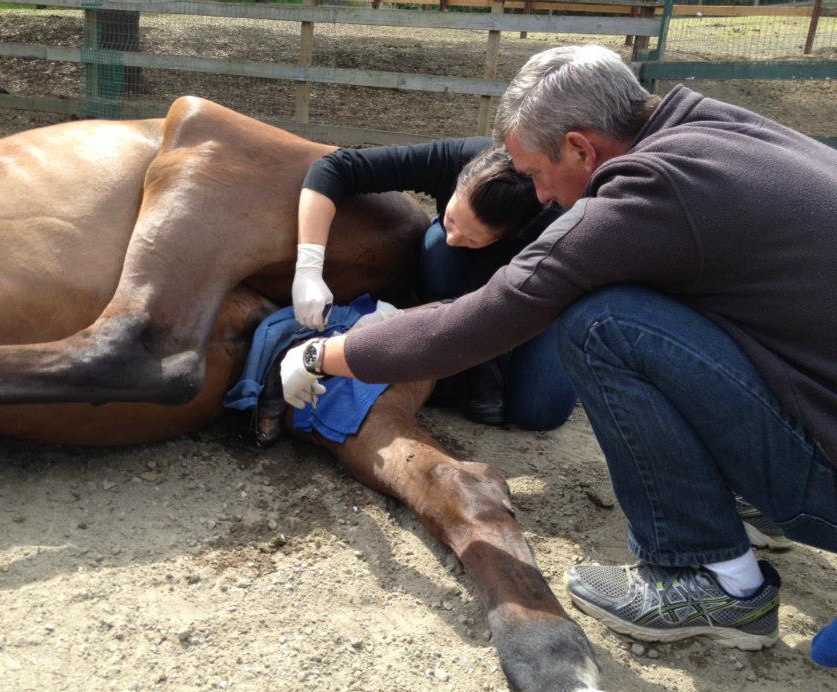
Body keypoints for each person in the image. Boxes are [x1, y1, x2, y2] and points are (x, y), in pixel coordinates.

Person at [282, 44, 837, 653]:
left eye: (538, 173)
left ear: (580, 147)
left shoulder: (649, 191)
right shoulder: (712, 124)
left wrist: (322, 355)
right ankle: (752, 500)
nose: (539, 196)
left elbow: (483, 319)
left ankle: (714, 577)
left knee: (602, 323)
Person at [293, 139, 576, 427]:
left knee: (539, 413)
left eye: (473, 237)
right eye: (453, 218)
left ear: (509, 233)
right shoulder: (457, 159)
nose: (456, 238)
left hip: (541, 302)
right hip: (474, 280)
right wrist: (308, 268)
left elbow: (505, 306)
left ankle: (485, 353)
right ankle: (475, 364)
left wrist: (394, 320)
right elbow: (333, 168)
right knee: (439, 246)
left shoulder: (556, 226)